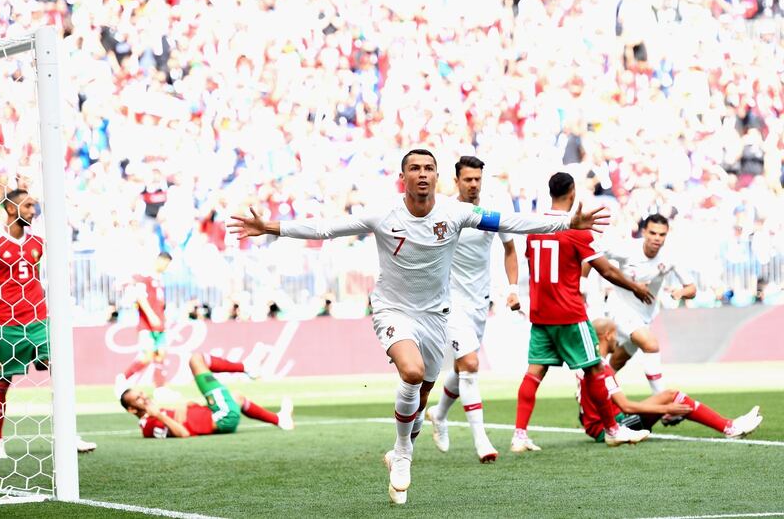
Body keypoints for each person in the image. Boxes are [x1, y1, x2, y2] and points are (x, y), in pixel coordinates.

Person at [228, 149, 609, 504]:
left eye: (428, 169)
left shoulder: (455, 214)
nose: (422, 174)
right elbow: (325, 228)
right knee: (410, 373)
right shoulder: (383, 215)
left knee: (424, 389)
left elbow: (510, 222)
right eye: (415, 168)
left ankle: (403, 444)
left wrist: (565, 221)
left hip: (435, 316)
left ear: (437, 177)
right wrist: (271, 228)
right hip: (392, 310)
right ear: (403, 177)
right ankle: (404, 453)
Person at [510, 172, 655, 454]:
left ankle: (519, 435)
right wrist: (634, 286)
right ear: (572, 192)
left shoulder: (534, 228)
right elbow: (608, 270)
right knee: (595, 368)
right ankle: (613, 429)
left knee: (534, 372)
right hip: (569, 313)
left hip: (541, 314)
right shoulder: (576, 231)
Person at [0, 189, 96, 460]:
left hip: (37, 320)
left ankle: (68, 436)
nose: (34, 211)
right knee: (1, 383)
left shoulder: (37, 242)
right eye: (28, 206)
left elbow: (33, 279)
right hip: (5, 323)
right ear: (12, 209)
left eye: (34, 206)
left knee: (59, 369)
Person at [425, 156, 521, 463]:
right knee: (469, 363)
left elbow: (509, 248)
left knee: (463, 367)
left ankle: (438, 414)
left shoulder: (490, 212)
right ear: (457, 182)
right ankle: (481, 440)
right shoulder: (447, 212)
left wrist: (512, 288)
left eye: (478, 179)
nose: (474, 184)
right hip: (450, 303)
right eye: (468, 179)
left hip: (481, 301)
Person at [576, 318, 763, 442]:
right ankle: (729, 428)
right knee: (672, 398)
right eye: (616, 334)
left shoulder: (589, 363)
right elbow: (626, 406)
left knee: (670, 395)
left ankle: (729, 425)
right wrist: (667, 409)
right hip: (610, 428)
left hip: (605, 425)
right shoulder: (601, 368)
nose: (617, 339)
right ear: (607, 335)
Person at [586, 213, 696, 396]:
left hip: (644, 315)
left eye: (662, 235)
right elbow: (591, 250)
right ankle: (663, 401)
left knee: (617, 361)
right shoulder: (627, 248)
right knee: (651, 344)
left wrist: (680, 293)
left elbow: (692, 288)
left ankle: (591, 393)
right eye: (653, 233)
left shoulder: (671, 256)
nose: (657, 239)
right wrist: (581, 281)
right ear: (644, 232)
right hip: (619, 308)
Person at [120, 352, 293, 438]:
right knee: (196, 360)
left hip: (216, 412)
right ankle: (246, 367)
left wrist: (184, 404)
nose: (143, 397)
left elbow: (184, 415)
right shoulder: (149, 425)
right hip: (221, 417)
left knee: (237, 398)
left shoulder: (156, 411)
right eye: (137, 399)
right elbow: (183, 433)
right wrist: (160, 414)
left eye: (141, 393)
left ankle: (280, 420)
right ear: (131, 410)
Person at [115, 252, 174, 397]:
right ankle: (123, 378)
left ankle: (160, 389)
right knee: (147, 356)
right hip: (147, 325)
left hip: (160, 324)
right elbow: (140, 298)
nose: (166, 266)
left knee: (160, 354)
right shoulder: (145, 277)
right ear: (159, 261)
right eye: (165, 263)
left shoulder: (160, 280)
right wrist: (152, 316)